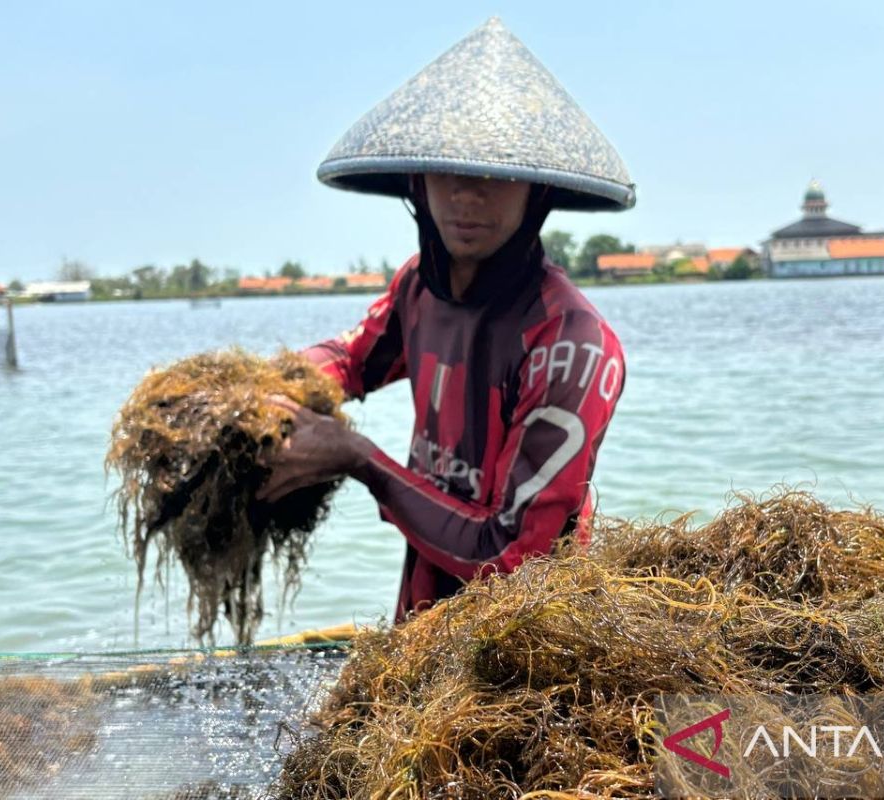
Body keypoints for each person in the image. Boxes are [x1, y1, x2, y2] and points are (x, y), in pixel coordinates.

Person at [256, 17, 637, 622]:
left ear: (537, 193)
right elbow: (351, 361)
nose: (468, 195)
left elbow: (517, 557)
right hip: (422, 619)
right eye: (449, 169)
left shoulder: (571, 346)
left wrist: (359, 459)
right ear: (417, 179)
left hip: (526, 647)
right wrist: (258, 398)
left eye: (497, 176)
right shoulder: (417, 289)